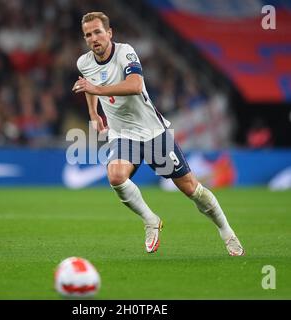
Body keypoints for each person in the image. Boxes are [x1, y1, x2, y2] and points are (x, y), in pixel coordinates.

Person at [72, 12, 244, 256]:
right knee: (116, 175)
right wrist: (93, 112)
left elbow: (135, 85)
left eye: (98, 32)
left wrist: (97, 89)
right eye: (88, 34)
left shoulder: (125, 52)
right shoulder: (84, 62)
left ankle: (227, 231)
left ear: (109, 33)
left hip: (153, 133)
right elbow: (88, 83)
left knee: (192, 189)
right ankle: (150, 220)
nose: (93, 38)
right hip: (123, 135)